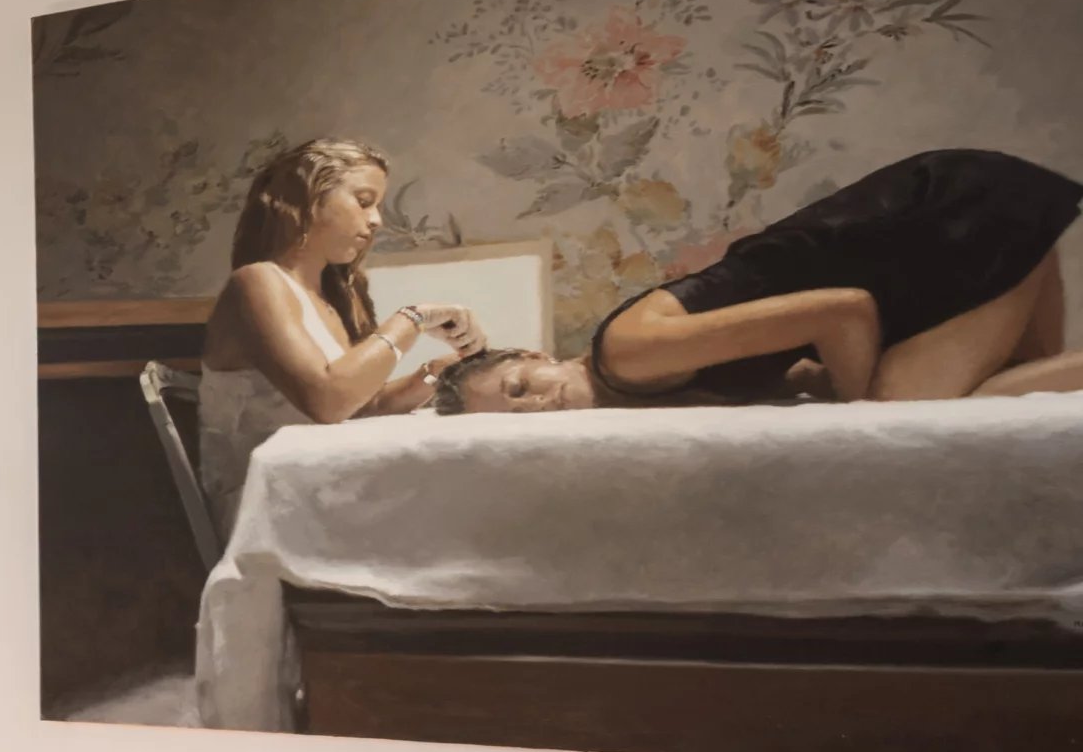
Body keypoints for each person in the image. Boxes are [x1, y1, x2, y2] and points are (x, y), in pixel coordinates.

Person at [439, 146, 1083, 412]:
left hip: (950, 213)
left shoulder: (628, 355)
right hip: (954, 220)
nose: (536, 408)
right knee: (1027, 390)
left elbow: (844, 310)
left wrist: (862, 416)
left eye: (519, 387)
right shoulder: (637, 390)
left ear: (538, 356)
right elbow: (793, 356)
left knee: (903, 412)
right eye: (513, 419)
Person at [196, 137, 483, 512]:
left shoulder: (327, 302)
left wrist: (437, 372)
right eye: (363, 201)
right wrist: (413, 319)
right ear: (307, 199)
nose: (376, 220)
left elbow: (360, 404)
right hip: (264, 504)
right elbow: (328, 402)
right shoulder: (257, 282)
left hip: (312, 486)